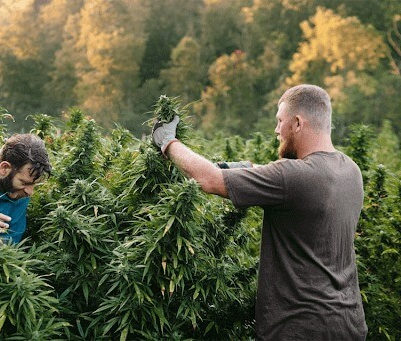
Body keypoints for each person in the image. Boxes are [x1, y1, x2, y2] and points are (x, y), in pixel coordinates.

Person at [152, 84, 367, 340]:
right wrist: (236, 168)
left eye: (280, 121)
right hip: (348, 324)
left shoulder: (292, 177)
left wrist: (168, 142)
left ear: (297, 123)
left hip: (300, 328)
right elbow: (273, 174)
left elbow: (209, 180)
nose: (276, 130)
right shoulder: (350, 171)